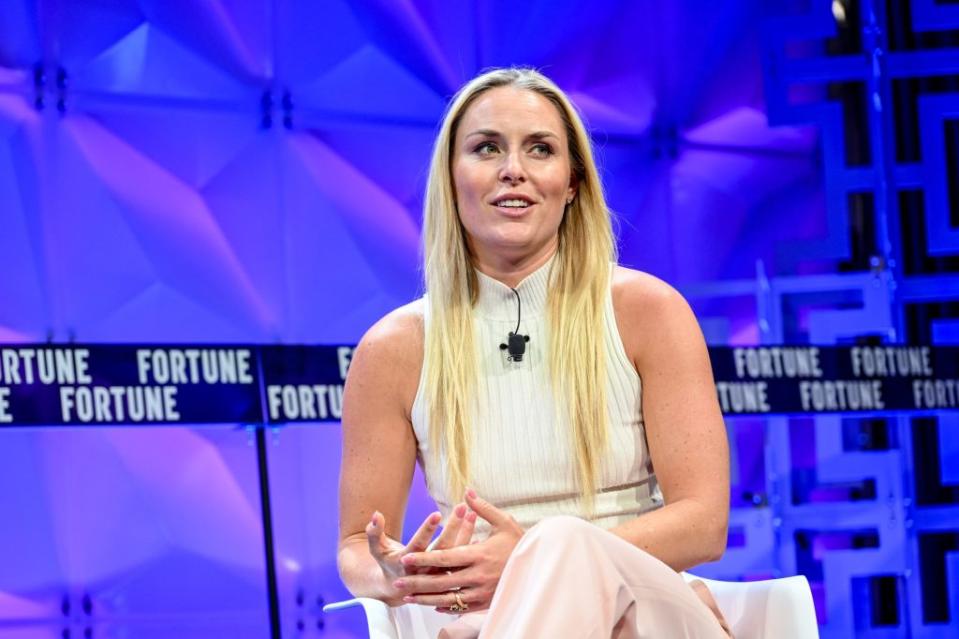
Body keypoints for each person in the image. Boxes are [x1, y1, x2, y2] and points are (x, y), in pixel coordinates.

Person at [337, 67, 732, 638]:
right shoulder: (394, 348)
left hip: (641, 608)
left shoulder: (647, 311)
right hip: (477, 616)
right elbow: (355, 546)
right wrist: (396, 573)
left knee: (561, 544)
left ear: (572, 183)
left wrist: (540, 562)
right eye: (486, 148)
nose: (512, 170)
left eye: (539, 149)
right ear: (451, 178)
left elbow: (704, 523)